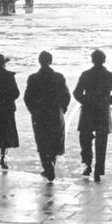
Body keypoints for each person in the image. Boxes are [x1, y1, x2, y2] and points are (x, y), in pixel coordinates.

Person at [73, 50, 112, 183]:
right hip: (103, 112)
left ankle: (88, 165)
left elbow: (77, 93)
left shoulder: (85, 75)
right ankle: (99, 170)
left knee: (85, 141)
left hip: (88, 111)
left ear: (92, 60)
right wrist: (107, 101)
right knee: (102, 143)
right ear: (104, 60)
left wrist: (86, 100)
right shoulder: (110, 76)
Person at [23, 51, 71, 181]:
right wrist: (63, 109)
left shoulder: (33, 78)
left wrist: (33, 110)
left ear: (39, 61)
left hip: (39, 113)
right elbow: (67, 95)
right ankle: (52, 163)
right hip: (55, 112)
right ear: (51, 61)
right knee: (55, 139)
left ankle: (46, 165)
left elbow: (27, 97)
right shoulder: (59, 77)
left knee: (41, 139)